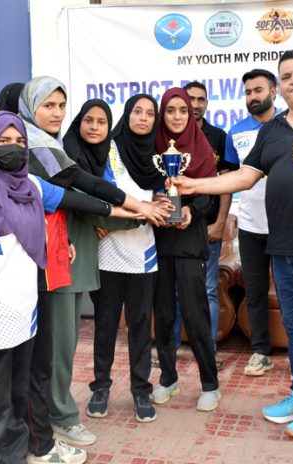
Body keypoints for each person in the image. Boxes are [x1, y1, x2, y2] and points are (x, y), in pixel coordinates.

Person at [174, 51, 293, 441]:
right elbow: (245, 177)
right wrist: (195, 185)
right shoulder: (274, 128)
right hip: (282, 245)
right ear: (280, 85)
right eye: (287, 75)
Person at [0, 111, 135, 464]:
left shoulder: (29, 185)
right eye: (3, 142)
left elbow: (76, 200)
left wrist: (131, 210)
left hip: (23, 315)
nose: (12, 149)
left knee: (18, 401)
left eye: (19, 142)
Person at [18, 76, 167, 459]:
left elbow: (84, 197)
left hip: (77, 254)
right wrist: (141, 212)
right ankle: (60, 415)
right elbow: (77, 192)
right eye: (48, 105)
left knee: (63, 343)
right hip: (58, 255)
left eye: (60, 105)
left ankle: (56, 413)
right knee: (59, 344)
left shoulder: (58, 147)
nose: (56, 112)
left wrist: (139, 211)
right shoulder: (42, 147)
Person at [85, 94, 167, 423]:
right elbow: (94, 191)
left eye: (150, 113)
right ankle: (100, 387)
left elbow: (165, 200)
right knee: (104, 325)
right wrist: (100, 220)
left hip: (143, 252)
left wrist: (166, 206)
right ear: (127, 114)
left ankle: (141, 390)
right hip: (107, 250)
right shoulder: (109, 149)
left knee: (138, 326)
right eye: (137, 111)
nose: (144, 118)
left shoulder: (163, 154)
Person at [151, 87, 222, 412]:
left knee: (195, 314)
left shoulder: (202, 147)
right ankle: (168, 377)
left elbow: (211, 194)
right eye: (171, 111)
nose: (178, 116)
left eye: (183, 110)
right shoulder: (150, 147)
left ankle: (210, 384)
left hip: (189, 241)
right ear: (162, 114)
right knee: (164, 316)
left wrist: (193, 210)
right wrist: (154, 202)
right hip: (157, 241)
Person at [171, 81, 237, 371]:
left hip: (207, 225)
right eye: (190, 100)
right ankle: (169, 349)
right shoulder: (169, 136)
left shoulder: (218, 137)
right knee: (172, 291)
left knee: (209, 289)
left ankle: (208, 349)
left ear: (207, 104)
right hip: (172, 228)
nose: (195, 105)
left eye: (200, 100)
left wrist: (221, 222)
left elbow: (225, 185)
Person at [224, 69, 280, 377]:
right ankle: (260, 351)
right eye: (247, 92)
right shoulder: (236, 133)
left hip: (286, 227)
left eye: (258, 90)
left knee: (290, 292)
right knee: (255, 291)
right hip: (250, 225)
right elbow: (230, 179)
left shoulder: (289, 127)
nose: (253, 97)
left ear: (274, 92)